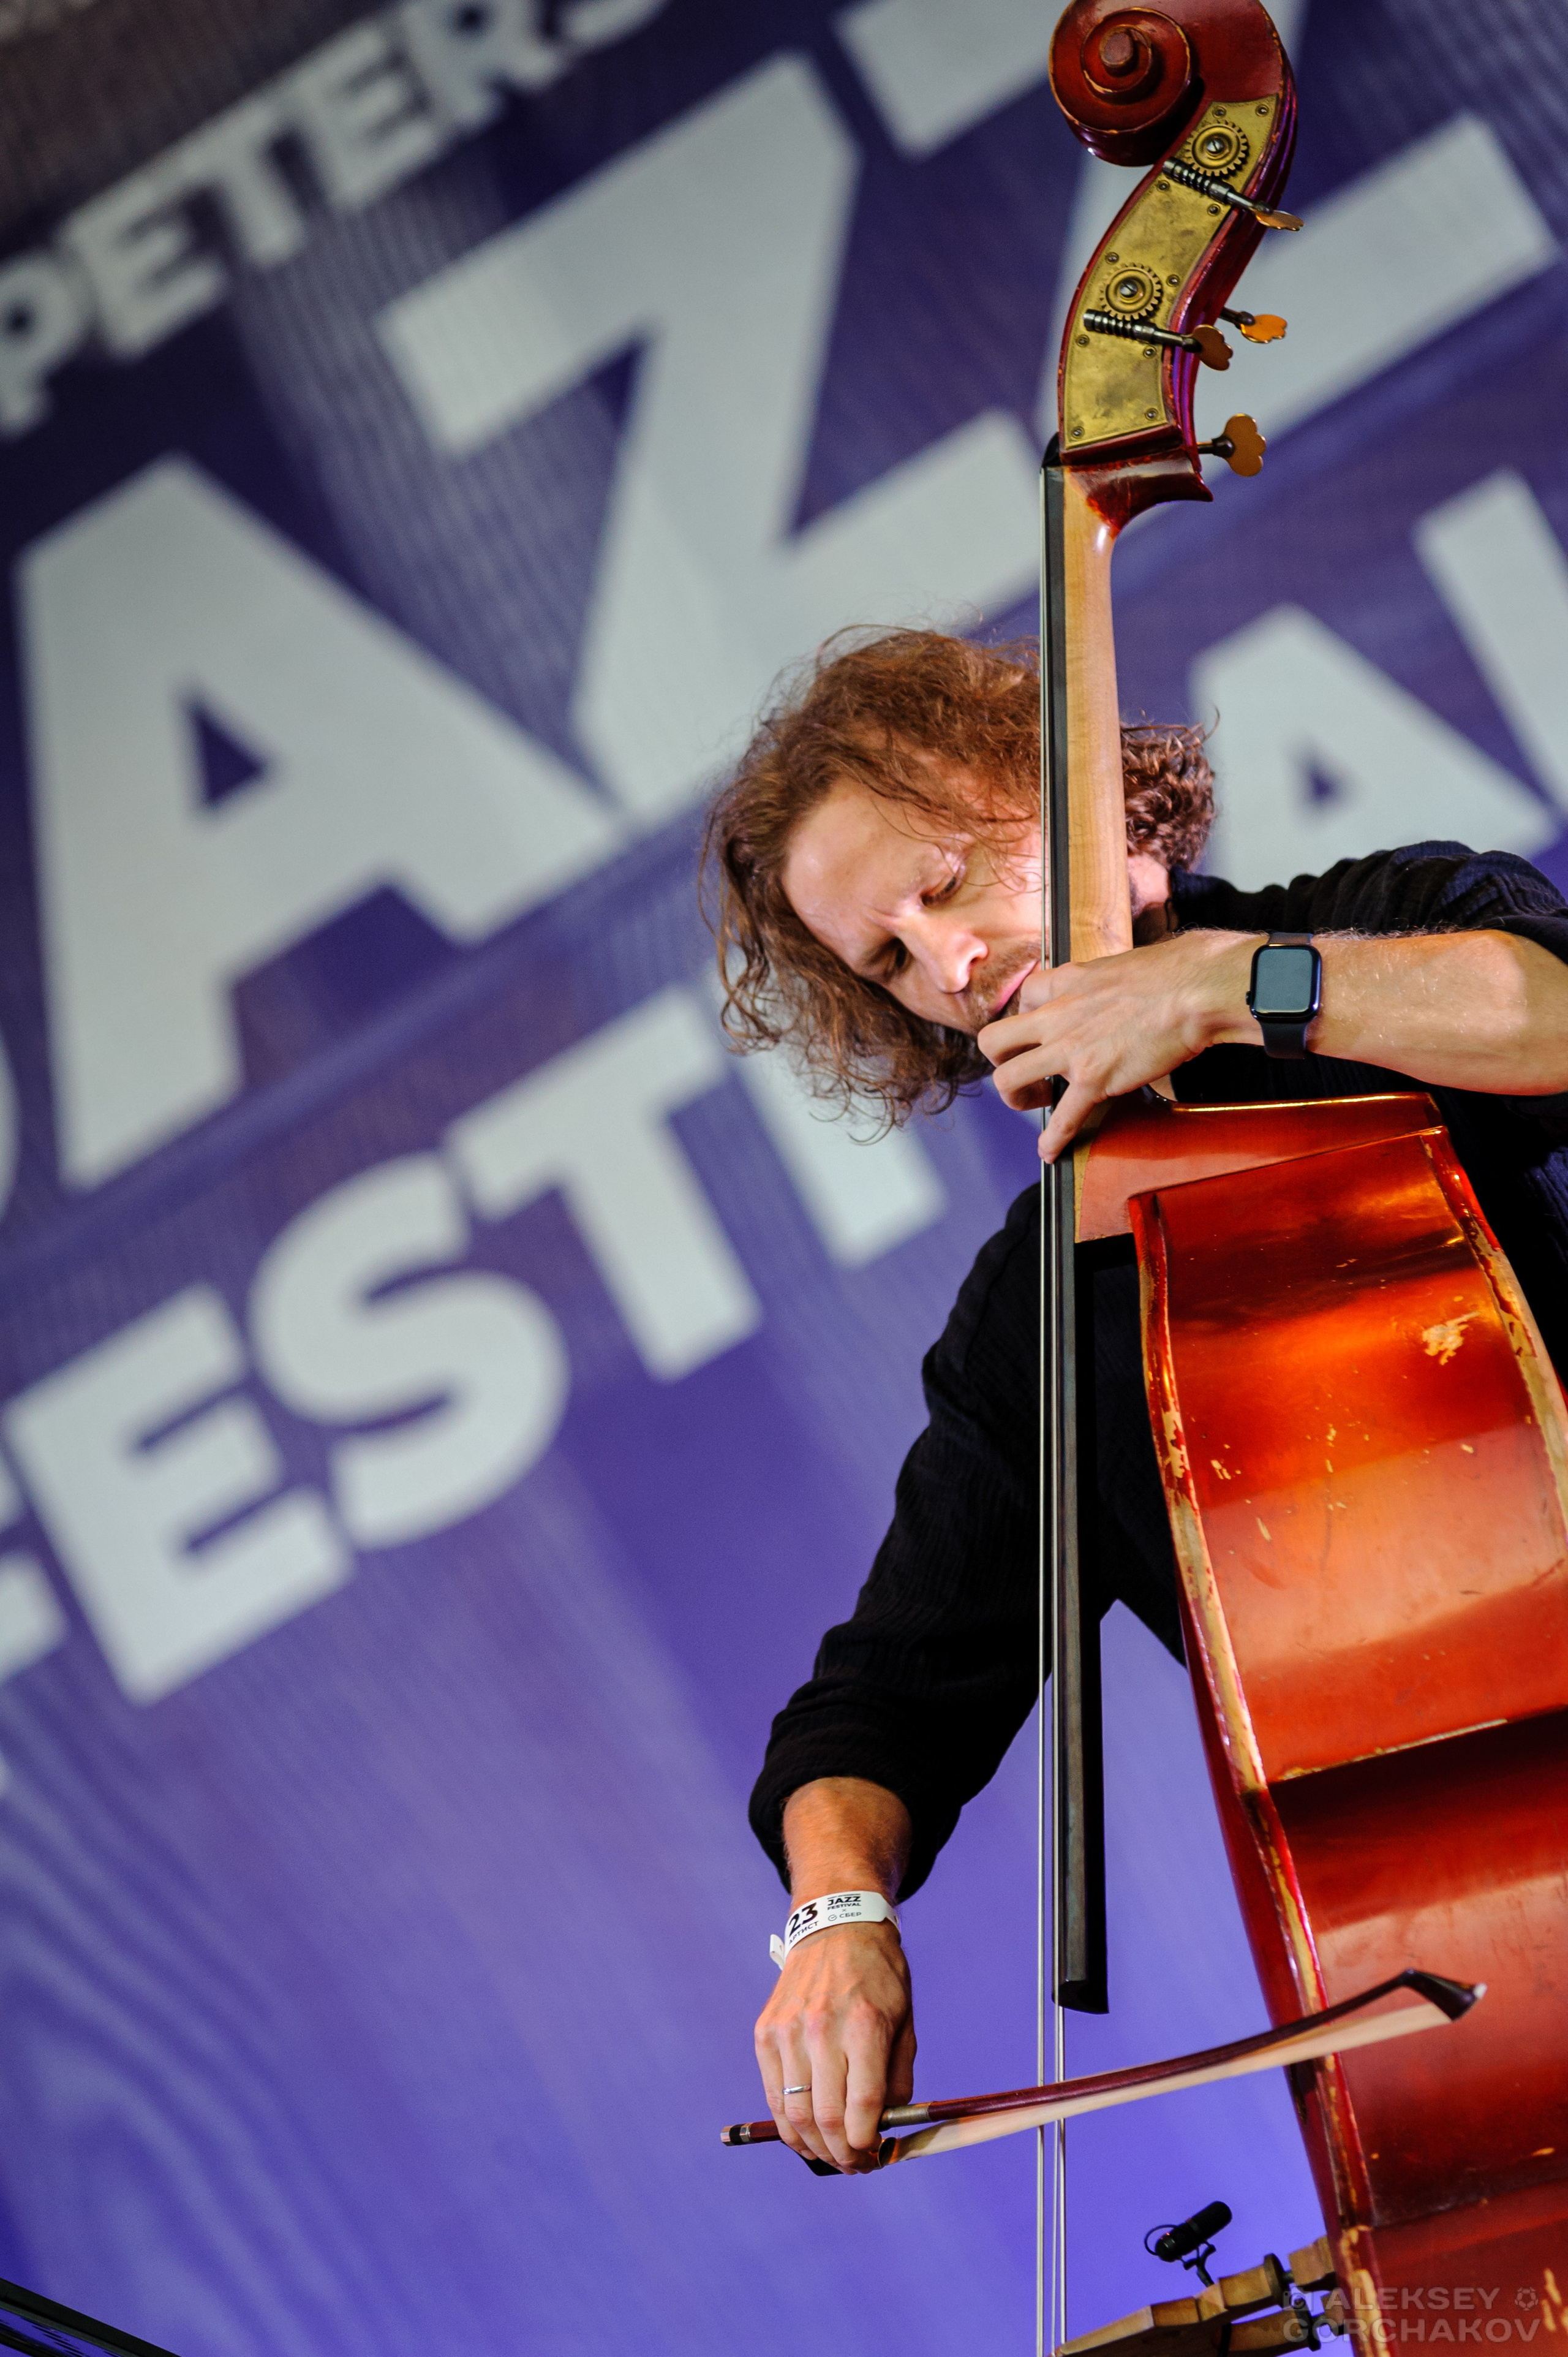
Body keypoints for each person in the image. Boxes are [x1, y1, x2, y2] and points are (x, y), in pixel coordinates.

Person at [703, 626, 1568, 2178]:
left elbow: (1550, 1013)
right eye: (888, 958)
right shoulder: (1037, 1314)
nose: (947, 967)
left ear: (1064, 791)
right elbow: (876, 1703)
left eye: (947, 880)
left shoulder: (1388, 930)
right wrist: (835, 1914)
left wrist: (1236, 990)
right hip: (1499, 1969)